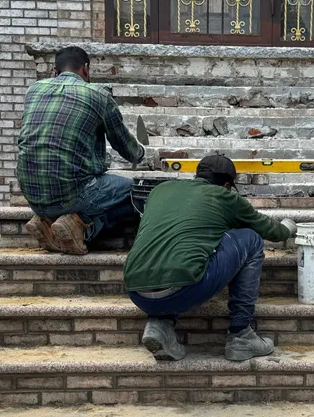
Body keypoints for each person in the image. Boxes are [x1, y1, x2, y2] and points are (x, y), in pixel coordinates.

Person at [124, 155, 297, 362]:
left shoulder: (160, 190)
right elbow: (272, 232)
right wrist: (288, 227)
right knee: (251, 239)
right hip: (183, 290)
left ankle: (160, 325)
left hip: (136, 292)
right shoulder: (224, 197)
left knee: (178, 253)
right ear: (226, 185)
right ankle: (241, 334)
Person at [17, 45, 143, 255]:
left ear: (54, 71)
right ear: (85, 69)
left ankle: (45, 223)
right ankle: (82, 227)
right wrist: (140, 154)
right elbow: (125, 147)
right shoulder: (98, 95)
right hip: (72, 195)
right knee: (134, 191)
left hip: (32, 194)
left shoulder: (34, 90)